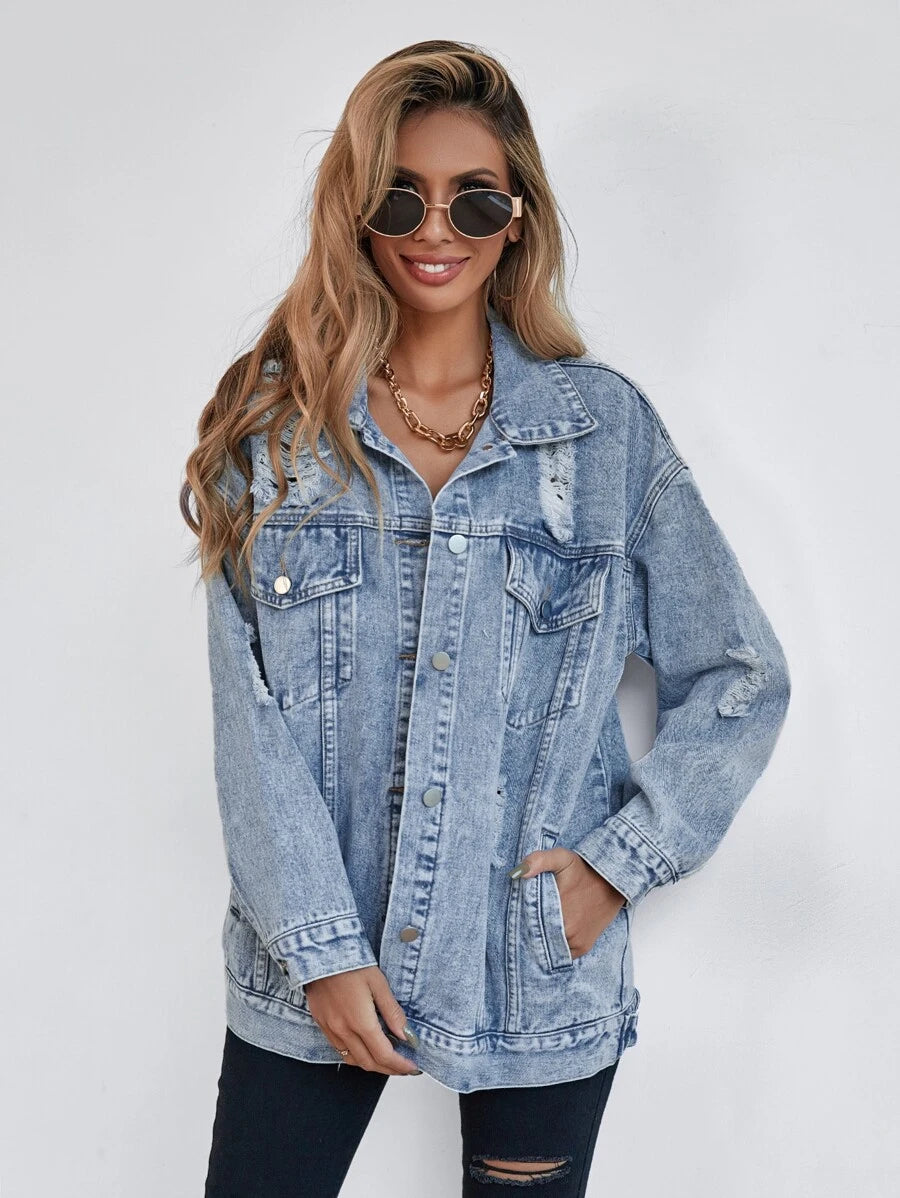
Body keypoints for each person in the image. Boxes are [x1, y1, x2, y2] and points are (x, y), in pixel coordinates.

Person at [181, 38, 791, 1198]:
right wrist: (317, 945)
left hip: (535, 972)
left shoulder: (605, 437)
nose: (435, 227)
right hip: (306, 970)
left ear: (517, 220)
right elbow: (245, 720)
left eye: (473, 198)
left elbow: (740, 672)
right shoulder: (276, 437)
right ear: (358, 213)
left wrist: (616, 868)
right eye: (400, 195)